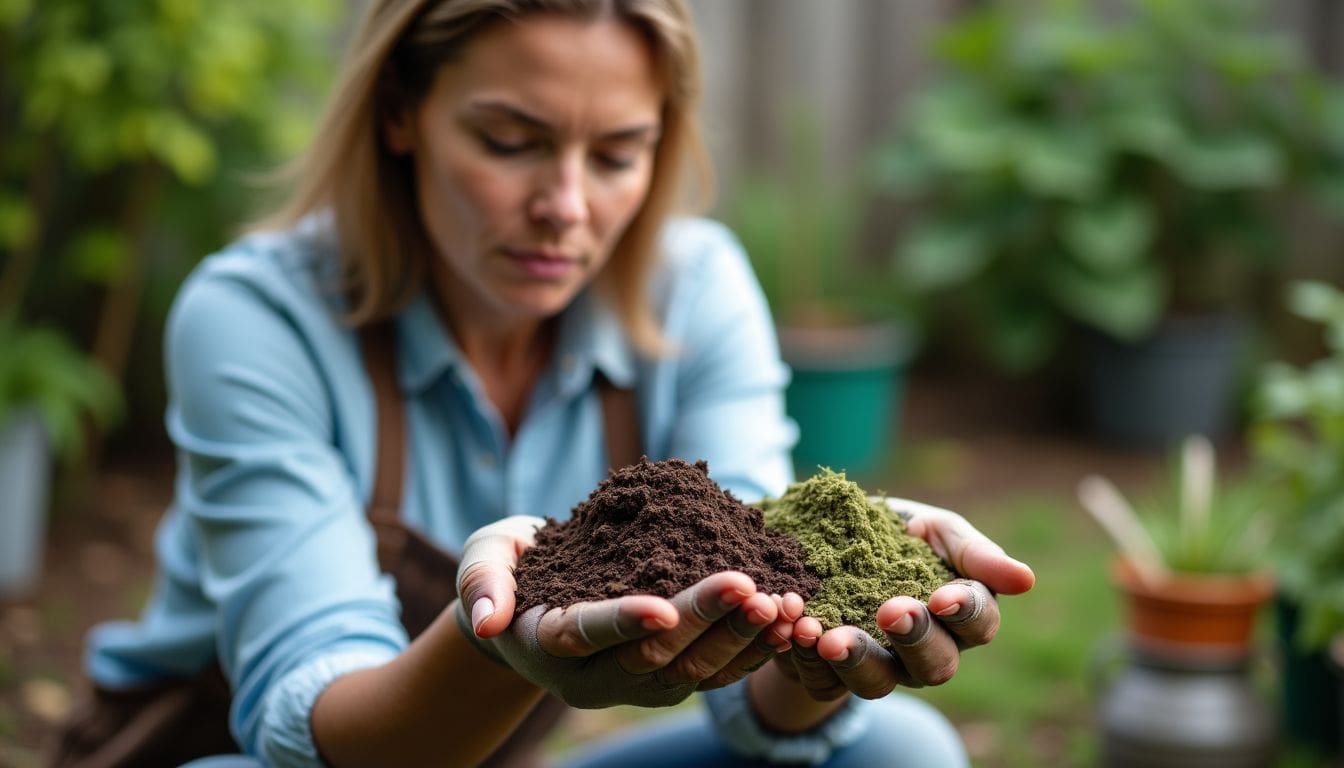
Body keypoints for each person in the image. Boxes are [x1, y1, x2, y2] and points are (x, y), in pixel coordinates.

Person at [54, 1, 1036, 766]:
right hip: (244, 756)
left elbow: (757, 659)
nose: (566, 207)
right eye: (510, 141)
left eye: (617, 155)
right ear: (401, 110)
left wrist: (819, 650)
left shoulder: (695, 292)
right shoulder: (257, 317)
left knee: (900, 750)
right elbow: (314, 720)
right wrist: (493, 646)